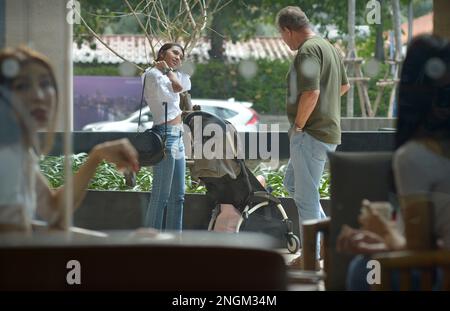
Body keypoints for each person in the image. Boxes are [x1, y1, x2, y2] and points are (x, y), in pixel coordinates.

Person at [337, 34, 450, 290]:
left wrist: (382, 229)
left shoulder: (416, 157)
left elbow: (418, 253)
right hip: (438, 260)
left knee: (363, 269)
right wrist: (381, 241)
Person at [0, 46, 139, 233]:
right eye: (22, 86)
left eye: (45, 83)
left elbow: (55, 211)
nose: (39, 96)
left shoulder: (18, 152)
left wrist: (97, 155)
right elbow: (13, 250)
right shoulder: (6, 158)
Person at [276, 6, 350, 266]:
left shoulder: (308, 50)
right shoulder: (328, 47)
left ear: (288, 30)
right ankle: (326, 239)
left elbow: (311, 93)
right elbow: (344, 86)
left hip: (310, 133)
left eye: (282, 36)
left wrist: (299, 124)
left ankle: (312, 257)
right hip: (326, 132)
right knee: (293, 185)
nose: (285, 43)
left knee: (306, 198)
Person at [142, 43, 191, 231]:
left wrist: (170, 71)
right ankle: (150, 243)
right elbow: (178, 88)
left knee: (178, 196)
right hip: (165, 137)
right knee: (161, 195)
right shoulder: (151, 75)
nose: (179, 57)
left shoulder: (169, 75)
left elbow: (183, 84)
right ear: (162, 53)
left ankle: (174, 244)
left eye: (181, 56)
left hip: (178, 135)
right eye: (175, 53)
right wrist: (169, 72)